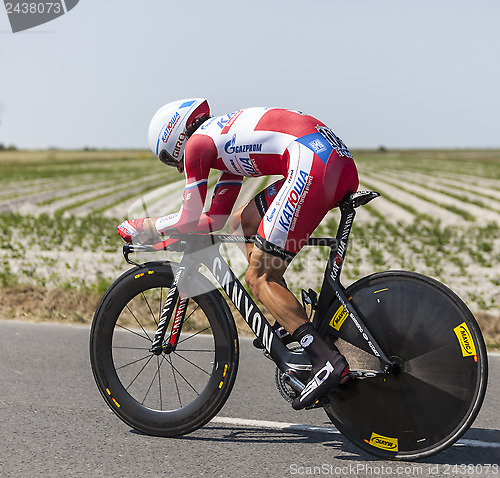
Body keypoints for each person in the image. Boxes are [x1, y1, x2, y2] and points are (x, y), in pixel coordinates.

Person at [117, 98, 359, 410]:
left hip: (312, 162)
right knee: (243, 223)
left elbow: (189, 219)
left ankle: (324, 360)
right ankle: (285, 314)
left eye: (168, 158)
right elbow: (214, 221)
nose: (177, 166)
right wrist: (171, 233)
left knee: (257, 279)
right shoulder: (221, 140)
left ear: (175, 138)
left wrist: (144, 226)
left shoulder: (197, 144)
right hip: (330, 159)